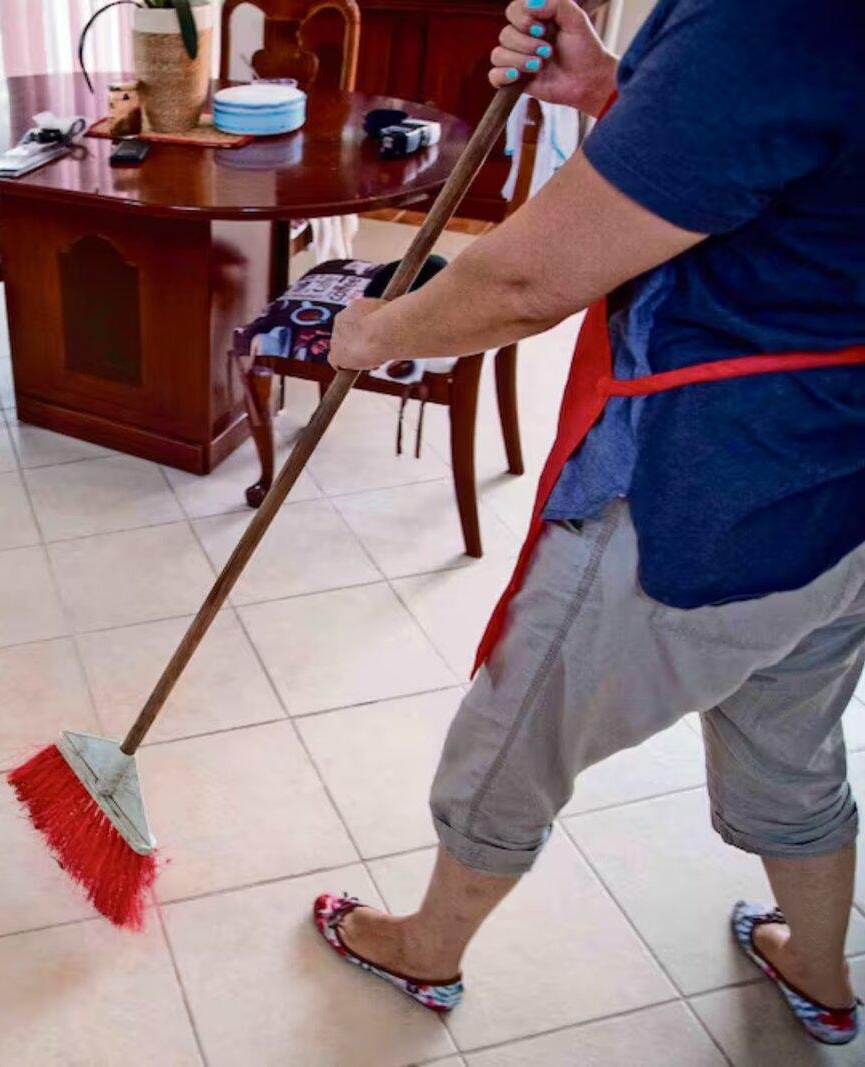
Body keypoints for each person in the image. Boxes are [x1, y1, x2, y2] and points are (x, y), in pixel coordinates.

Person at [314, 0, 865, 1045]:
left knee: (514, 736)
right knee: (790, 740)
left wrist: (378, 332)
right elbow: (807, 154)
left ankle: (427, 949)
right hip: (842, 489)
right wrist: (618, 87)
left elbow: (527, 281)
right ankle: (820, 968)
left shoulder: (774, 18)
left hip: (704, 492)